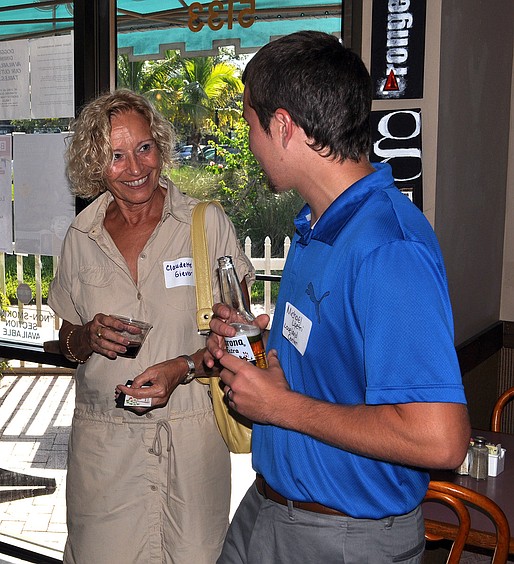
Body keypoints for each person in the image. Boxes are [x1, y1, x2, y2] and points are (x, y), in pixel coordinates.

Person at [203, 31, 471, 564]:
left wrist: (280, 405)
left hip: (344, 538)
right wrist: (257, 351)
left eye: (250, 125)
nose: (251, 142)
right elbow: (331, 359)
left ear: (282, 126)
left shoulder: (387, 248)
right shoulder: (318, 226)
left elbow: (440, 440)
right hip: (270, 507)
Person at [48, 89, 254, 563]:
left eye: (144, 147)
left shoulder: (205, 225)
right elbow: (66, 340)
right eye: (115, 156)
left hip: (191, 436)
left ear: (160, 146)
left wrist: (182, 366)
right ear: (94, 164)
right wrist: (86, 336)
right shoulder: (81, 236)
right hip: (104, 443)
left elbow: (240, 336)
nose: (135, 167)